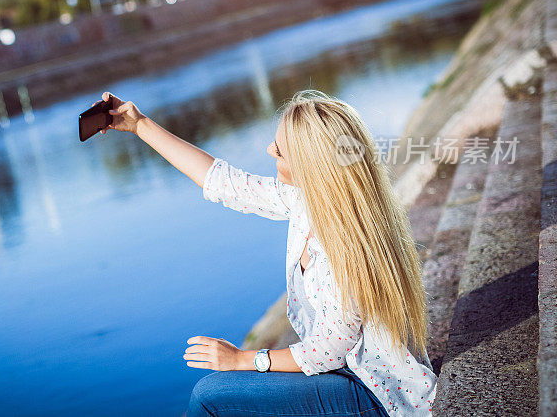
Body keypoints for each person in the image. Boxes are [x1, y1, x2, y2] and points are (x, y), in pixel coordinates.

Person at [95, 89, 437, 416]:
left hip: (378, 396)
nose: (269, 150)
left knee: (209, 396)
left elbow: (330, 350)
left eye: (280, 150)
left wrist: (243, 359)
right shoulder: (308, 202)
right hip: (348, 376)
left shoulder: (345, 245)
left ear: (311, 166)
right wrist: (140, 125)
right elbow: (223, 182)